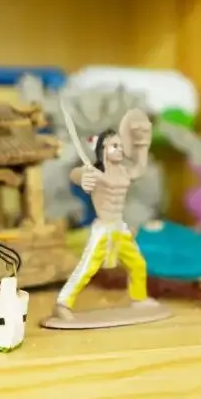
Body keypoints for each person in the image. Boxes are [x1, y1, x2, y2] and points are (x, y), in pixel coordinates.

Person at [54, 108, 155, 320]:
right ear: (103, 150)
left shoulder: (123, 171)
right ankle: (63, 303)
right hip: (103, 229)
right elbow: (75, 173)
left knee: (137, 264)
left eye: (120, 145)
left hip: (120, 228)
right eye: (114, 146)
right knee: (87, 268)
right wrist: (82, 178)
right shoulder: (97, 173)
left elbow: (140, 168)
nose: (119, 149)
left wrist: (142, 145)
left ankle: (139, 298)